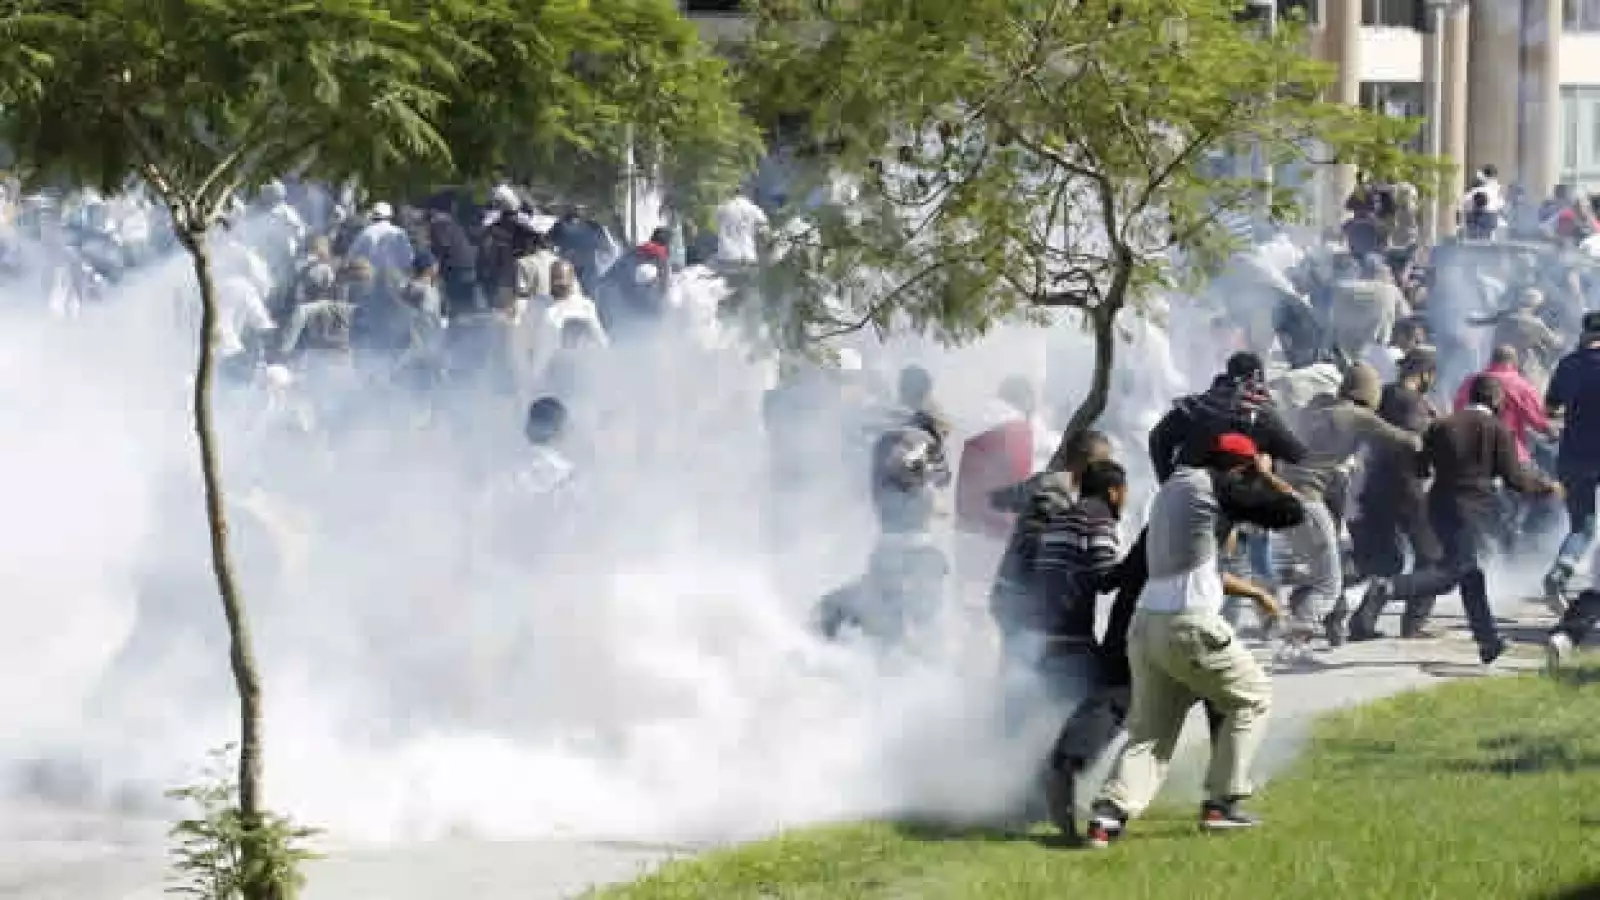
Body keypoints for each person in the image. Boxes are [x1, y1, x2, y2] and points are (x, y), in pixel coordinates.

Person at [1085, 433, 1304, 848]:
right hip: (1189, 625)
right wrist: (1269, 477)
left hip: (1147, 624)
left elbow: (1198, 567)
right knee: (1253, 696)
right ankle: (1221, 804)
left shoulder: (1172, 490)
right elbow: (1291, 513)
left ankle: (1108, 817)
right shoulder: (1220, 485)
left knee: (1150, 732)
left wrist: (1255, 592)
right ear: (1239, 467)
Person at [1352, 376, 1562, 663]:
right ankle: (1389, 588)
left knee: (1470, 573)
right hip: (1470, 511)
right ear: (1496, 400)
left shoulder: (1442, 425)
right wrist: (1547, 486)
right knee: (1454, 572)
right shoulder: (1497, 429)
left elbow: (1421, 467)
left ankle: (1487, 641)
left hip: (1438, 506)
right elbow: (1515, 478)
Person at [1007, 458, 1131, 843]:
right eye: (1124, 493)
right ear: (1114, 492)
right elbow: (1103, 577)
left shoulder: (1061, 519)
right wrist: (1142, 565)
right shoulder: (1099, 521)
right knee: (1112, 707)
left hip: (1040, 637)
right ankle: (1062, 775)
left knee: (1054, 719)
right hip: (1071, 640)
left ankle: (1032, 795)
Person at [1278, 364, 1420, 648]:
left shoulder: (1315, 410)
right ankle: (1295, 640)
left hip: (1286, 496)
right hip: (1308, 500)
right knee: (1328, 584)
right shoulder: (1356, 415)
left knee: (1331, 568)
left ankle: (1332, 620)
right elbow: (1405, 440)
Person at [1348, 348, 1443, 640]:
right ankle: (1414, 623)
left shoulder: (1384, 395)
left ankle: (1362, 622)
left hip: (1375, 486)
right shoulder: (1413, 404)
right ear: (1425, 374)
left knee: (1387, 559)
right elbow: (1414, 444)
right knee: (1433, 557)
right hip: (1407, 489)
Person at [1544, 313, 1600, 608]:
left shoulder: (1568, 364)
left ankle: (1559, 573)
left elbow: (1550, 408)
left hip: (1573, 455)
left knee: (1581, 527)